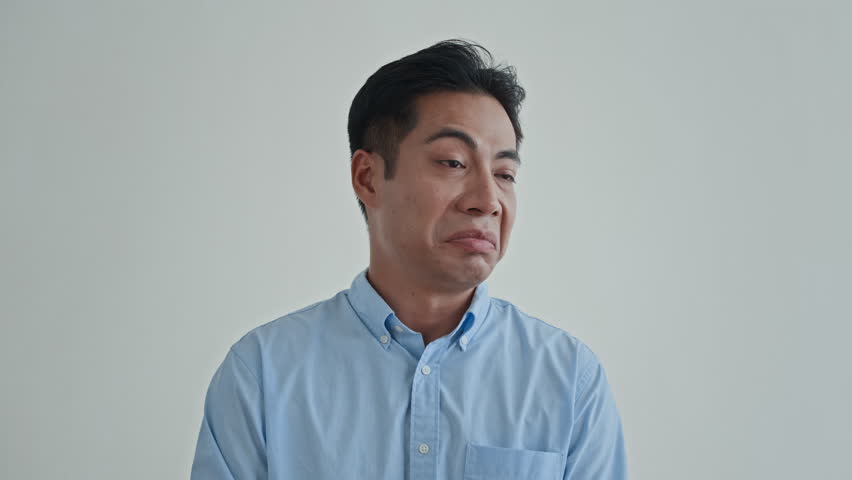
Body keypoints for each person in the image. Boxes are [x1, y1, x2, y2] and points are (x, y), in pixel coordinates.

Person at [190, 39, 628, 479]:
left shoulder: (569, 380)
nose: (488, 201)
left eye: (504, 174)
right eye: (454, 162)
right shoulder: (263, 376)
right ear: (368, 178)